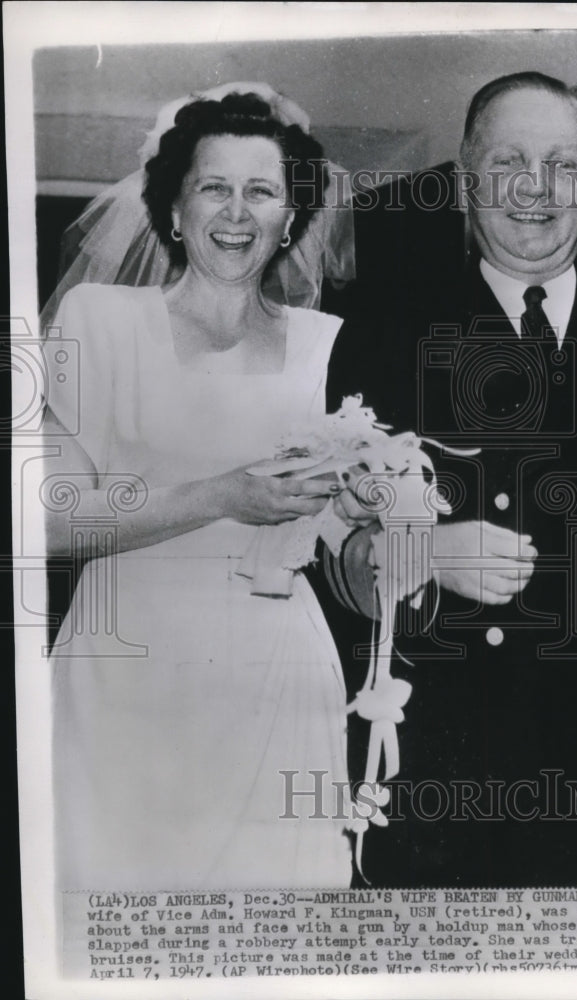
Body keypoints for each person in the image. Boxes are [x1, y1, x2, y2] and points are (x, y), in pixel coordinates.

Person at [323, 71, 577, 887]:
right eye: (508, 162)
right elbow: (325, 559)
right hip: (440, 762)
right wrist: (424, 555)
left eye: (565, 165)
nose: (536, 189)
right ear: (467, 180)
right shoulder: (384, 339)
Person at [43, 90, 362, 891]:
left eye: (262, 191)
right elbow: (45, 523)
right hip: (128, 675)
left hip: (279, 674)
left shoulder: (326, 346)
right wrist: (221, 494)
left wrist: (369, 517)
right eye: (214, 187)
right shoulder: (98, 320)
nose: (237, 212)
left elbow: (330, 532)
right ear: (174, 209)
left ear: (290, 217)